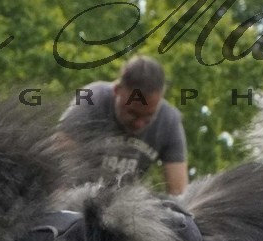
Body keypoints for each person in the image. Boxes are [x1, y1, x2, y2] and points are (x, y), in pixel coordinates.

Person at [59, 55, 189, 196]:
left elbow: (179, 192)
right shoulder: (92, 100)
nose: (139, 123)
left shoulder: (169, 120)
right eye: (132, 113)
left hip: (127, 203)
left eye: (148, 116)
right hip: (78, 197)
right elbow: (58, 161)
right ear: (117, 90)